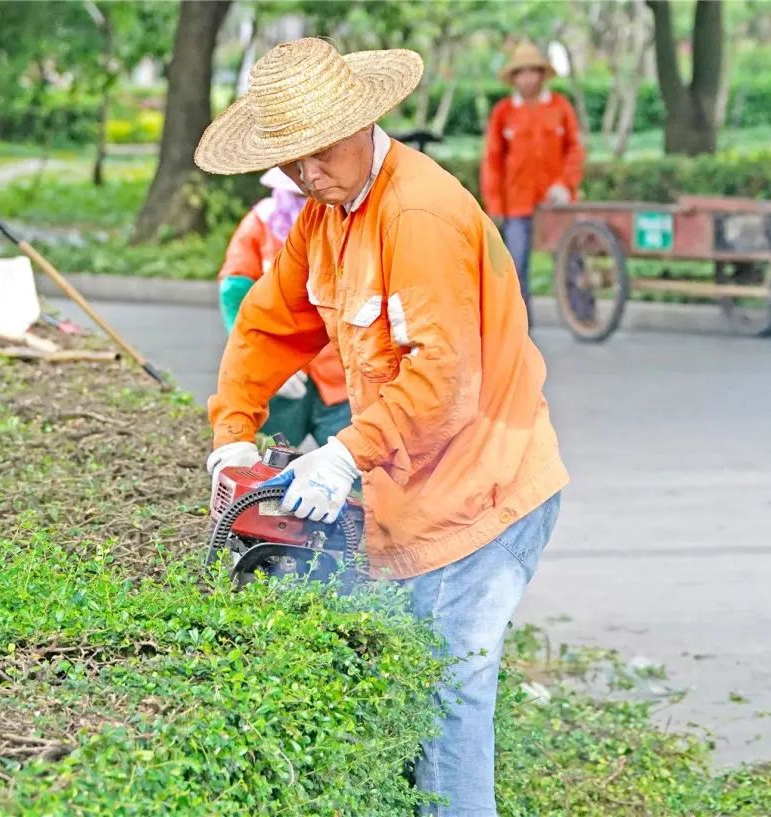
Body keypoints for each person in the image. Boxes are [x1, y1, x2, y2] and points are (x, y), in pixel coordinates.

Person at [196, 38, 568, 816]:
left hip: (484, 490)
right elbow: (268, 324)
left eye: (315, 153)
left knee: (446, 694)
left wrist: (343, 454)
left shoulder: (418, 215)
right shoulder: (327, 216)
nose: (303, 174)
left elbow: (445, 378)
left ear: (362, 120)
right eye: (287, 161)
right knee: (401, 685)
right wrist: (233, 432)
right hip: (416, 490)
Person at [216, 167, 350, 448]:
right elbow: (235, 290)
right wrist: (256, 357)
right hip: (280, 372)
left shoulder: (350, 223)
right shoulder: (261, 223)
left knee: (360, 474)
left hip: (343, 373)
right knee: (264, 467)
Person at [480, 40, 586, 325]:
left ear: (542, 74)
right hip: (517, 203)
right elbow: (493, 160)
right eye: (521, 72)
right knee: (516, 265)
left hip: (556, 202)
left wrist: (566, 184)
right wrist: (495, 203)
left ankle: (583, 316)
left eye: (533, 71)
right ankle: (519, 325)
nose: (527, 78)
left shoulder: (560, 106)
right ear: (514, 78)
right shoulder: (503, 113)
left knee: (572, 260)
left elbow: (575, 150)